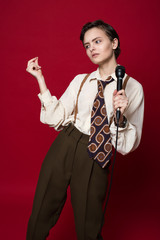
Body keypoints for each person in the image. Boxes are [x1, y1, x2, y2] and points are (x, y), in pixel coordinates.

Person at [26, 20, 144, 240]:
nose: (92, 49)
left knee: (88, 223)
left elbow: (129, 144)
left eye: (97, 41)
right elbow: (58, 116)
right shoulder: (81, 81)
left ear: (114, 42)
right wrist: (40, 79)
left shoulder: (133, 87)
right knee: (42, 208)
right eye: (87, 45)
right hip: (66, 143)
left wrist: (122, 117)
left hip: (97, 152)